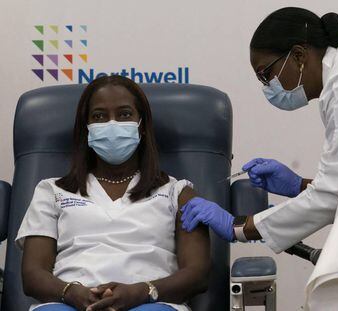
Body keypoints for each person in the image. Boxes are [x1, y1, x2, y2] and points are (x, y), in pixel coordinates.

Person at [180, 7, 338, 309]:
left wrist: (240, 226)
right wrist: (300, 185)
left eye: (266, 74)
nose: (268, 87)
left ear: (299, 55)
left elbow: (334, 193)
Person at [16, 75, 210, 311]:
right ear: (86, 129)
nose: (112, 124)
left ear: (143, 126)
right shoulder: (51, 191)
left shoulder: (177, 193)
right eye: (99, 116)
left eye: (125, 114)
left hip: (151, 304)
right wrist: (70, 292)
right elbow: (33, 274)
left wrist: (142, 291)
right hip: (70, 305)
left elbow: (197, 273)